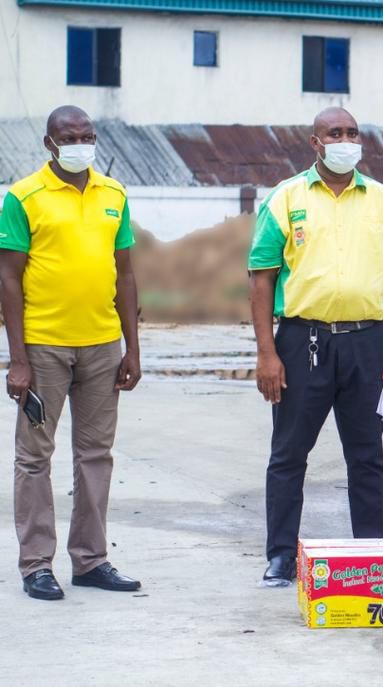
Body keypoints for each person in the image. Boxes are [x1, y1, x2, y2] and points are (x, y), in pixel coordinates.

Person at [248, 107, 383, 586]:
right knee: (289, 452)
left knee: (367, 454)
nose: (346, 140)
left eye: (352, 132)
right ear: (315, 143)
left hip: (368, 342)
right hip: (303, 341)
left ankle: (372, 551)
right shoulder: (287, 198)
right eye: (335, 133)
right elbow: (261, 278)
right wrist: (266, 352)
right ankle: (281, 556)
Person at [0, 105, 142, 600]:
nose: (80, 144)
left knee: (96, 454)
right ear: (49, 144)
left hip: (103, 345)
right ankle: (37, 564)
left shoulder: (114, 194)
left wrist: (132, 348)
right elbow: (9, 279)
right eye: (69, 137)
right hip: (43, 349)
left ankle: (91, 560)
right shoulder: (24, 197)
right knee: (34, 457)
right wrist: (17, 357)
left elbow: (124, 275)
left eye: (87, 135)